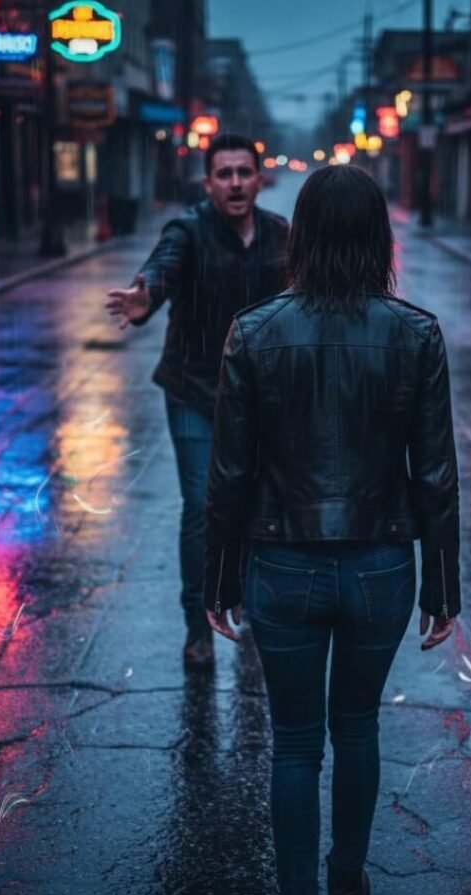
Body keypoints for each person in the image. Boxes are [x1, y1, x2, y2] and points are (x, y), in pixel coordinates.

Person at [203, 165, 460, 895]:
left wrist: (218, 577)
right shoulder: (416, 333)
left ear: (302, 236)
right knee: (356, 730)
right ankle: (347, 885)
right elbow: (437, 476)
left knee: (293, 745)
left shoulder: (254, 331)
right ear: (377, 237)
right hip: (381, 565)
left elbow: (230, 475)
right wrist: (442, 586)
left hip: (282, 562)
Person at [106, 133, 289, 671]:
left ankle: (250, 610)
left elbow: (310, 296)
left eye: (244, 172)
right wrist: (145, 296)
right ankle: (200, 625)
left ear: (260, 178)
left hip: (261, 400)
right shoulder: (188, 230)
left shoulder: (281, 236)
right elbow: (163, 265)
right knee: (204, 510)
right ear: (208, 182)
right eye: (224, 174)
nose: (235, 183)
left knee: (258, 509)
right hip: (194, 392)